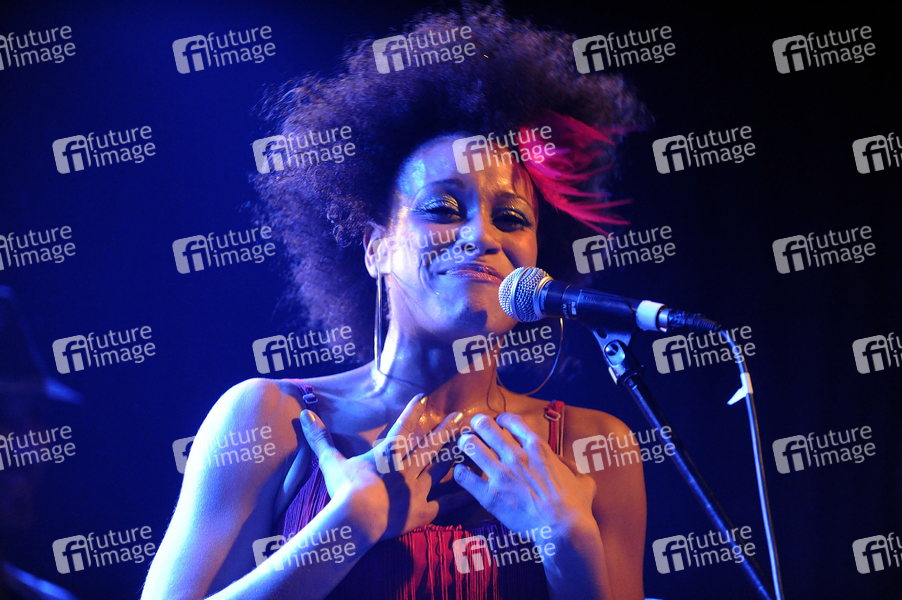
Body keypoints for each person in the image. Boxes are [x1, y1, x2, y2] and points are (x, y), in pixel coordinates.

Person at [143, 4, 648, 599]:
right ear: (376, 248)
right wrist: (346, 527)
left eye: (511, 218)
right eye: (442, 208)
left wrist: (569, 541)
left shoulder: (595, 447)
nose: (482, 236)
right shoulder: (269, 418)